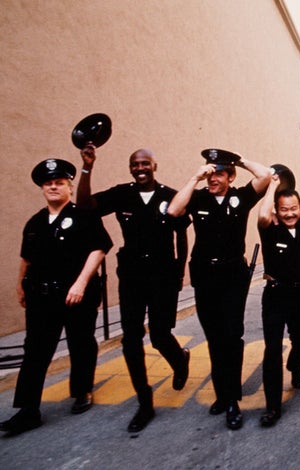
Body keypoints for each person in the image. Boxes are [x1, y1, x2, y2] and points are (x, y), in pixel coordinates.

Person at [76, 146, 191, 432]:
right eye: (135, 165)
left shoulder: (170, 196)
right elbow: (84, 206)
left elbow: (182, 237)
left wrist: (179, 275)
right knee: (131, 338)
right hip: (132, 277)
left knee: (161, 335)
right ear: (131, 169)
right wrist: (87, 167)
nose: (140, 169)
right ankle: (145, 402)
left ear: (155, 165)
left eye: (145, 164)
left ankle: (180, 360)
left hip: (163, 275)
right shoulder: (122, 194)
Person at [0, 159, 112, 436]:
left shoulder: (84, 216)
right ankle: (28, 410)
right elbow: (26, 258)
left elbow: (98, 250)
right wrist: (19, 286)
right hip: (42, 297)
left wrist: (81, 284)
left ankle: (82, 390)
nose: (53, 186)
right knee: (35, 351)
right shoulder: (35, 222)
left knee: (81, 343)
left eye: (59, 182)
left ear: (69, 188)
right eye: (48, 183)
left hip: (76, 295)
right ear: (42, 188)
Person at [167, 149, 271, 430]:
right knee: (214, 338)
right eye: (210, 173)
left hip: (233, 276)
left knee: (231, 337)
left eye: (219, 174)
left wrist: (240, 159)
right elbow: (174, 210)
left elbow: (266, 175)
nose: (213, 179)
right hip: (205, 276)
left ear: (231, 176)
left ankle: (232, 400)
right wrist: (194, 178)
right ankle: (222, 394)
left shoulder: (240, 197)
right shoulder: (198, 197)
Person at [256, 174, 300, 427]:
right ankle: (273, 407)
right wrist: (273, 186)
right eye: (284, 209)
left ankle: (295, 365)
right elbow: (262, 215)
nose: (289, 214)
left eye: (294, 208)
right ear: (277, 210)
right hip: (276, 295)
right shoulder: (270, 229)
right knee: (272, 350)